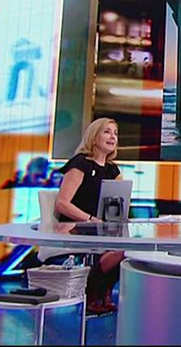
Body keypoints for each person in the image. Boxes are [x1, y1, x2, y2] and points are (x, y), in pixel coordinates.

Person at [50, 117, 125, 315]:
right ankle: (93, 291)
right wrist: (90, 219)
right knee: (120, 250)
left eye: (115, 133)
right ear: (94, 136)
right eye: (107, 132)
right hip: (75, 226)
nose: (112, 137)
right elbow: (62, 203)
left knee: (129, 248)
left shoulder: (113, 169)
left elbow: (120, 203)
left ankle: (103, 292)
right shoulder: (80, 163)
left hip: (101, 228)